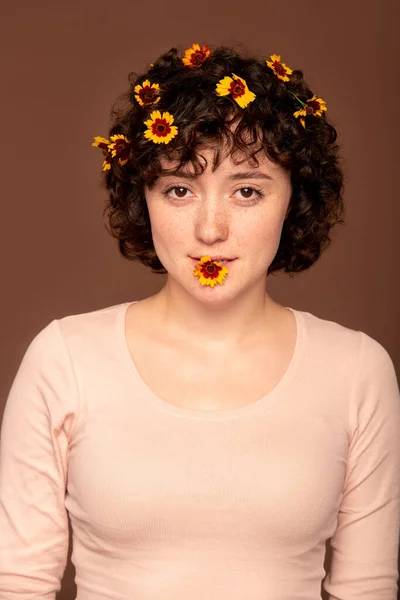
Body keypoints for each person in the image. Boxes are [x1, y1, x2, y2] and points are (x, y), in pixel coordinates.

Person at [0, 42, 399, 600]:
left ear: (294, 199)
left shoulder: (358, 370)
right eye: (180, 189)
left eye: (247, 191)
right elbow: (17, 586)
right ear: (145, 197)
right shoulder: (64, 358)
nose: (211, 230)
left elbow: (368, 590)